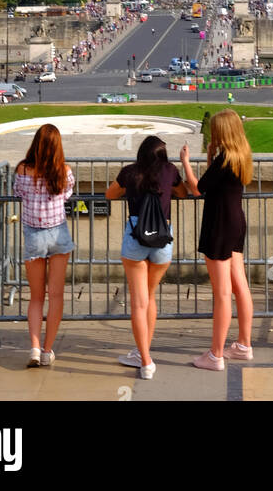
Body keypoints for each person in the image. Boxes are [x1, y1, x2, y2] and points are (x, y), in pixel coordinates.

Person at [105, 135, 189, 378]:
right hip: (162, 236)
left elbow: (110, 195)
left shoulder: (130, 172)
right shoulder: (170, 170)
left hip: (136, 237)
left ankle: (145, 360)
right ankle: (144, 353)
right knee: (150, 298)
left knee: (138, 302)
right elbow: (182, 193)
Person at [180, 111, 254, 371]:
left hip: (218, 225)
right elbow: (215, 183)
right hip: (235, 221)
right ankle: (243, 345)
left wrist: (185, 162)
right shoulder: (240, 155)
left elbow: (198, 187)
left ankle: (215, 355)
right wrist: (211, 154)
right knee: (240, 286)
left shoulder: (224, 160)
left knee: (222, 293)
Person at [13, 124, 75, 369]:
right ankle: (48, 350)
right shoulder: (64, 171)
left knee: (36, 297)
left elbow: (18, 192)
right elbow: (67, 193)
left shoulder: (23, 169)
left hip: (34, 236)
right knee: (56, 296)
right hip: (58, 234)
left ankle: (35, 348)